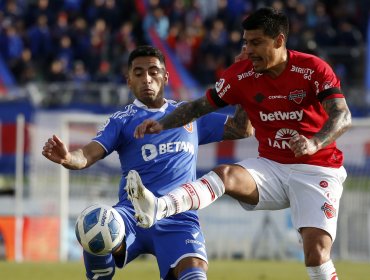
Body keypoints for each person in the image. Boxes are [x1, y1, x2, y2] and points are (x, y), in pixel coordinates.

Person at [129, 8, 352, 280]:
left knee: (316, 256)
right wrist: (163, 124)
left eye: (256, 42)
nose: (249, 50)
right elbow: (201, 105)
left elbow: (342, 115)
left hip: (317, 169)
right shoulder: (241, 74)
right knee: (226, 174)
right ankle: (158, 207)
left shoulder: (312, 69)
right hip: (272, 167)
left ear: (279, 41)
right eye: (245, 42)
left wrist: (314, 143)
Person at [42, 45, 251, 280]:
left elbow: (242, 128)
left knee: (194, 274)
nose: (147, 79)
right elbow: (88, 154)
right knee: (95, 221)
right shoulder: (122, 121)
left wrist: (245, 78)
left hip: (178, 217)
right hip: (132, 217)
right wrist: (69, 158)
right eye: (139, 73)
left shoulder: (187, 114)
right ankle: (100, 274)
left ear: (165, 77)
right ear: (129, 80)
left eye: (153, 71)